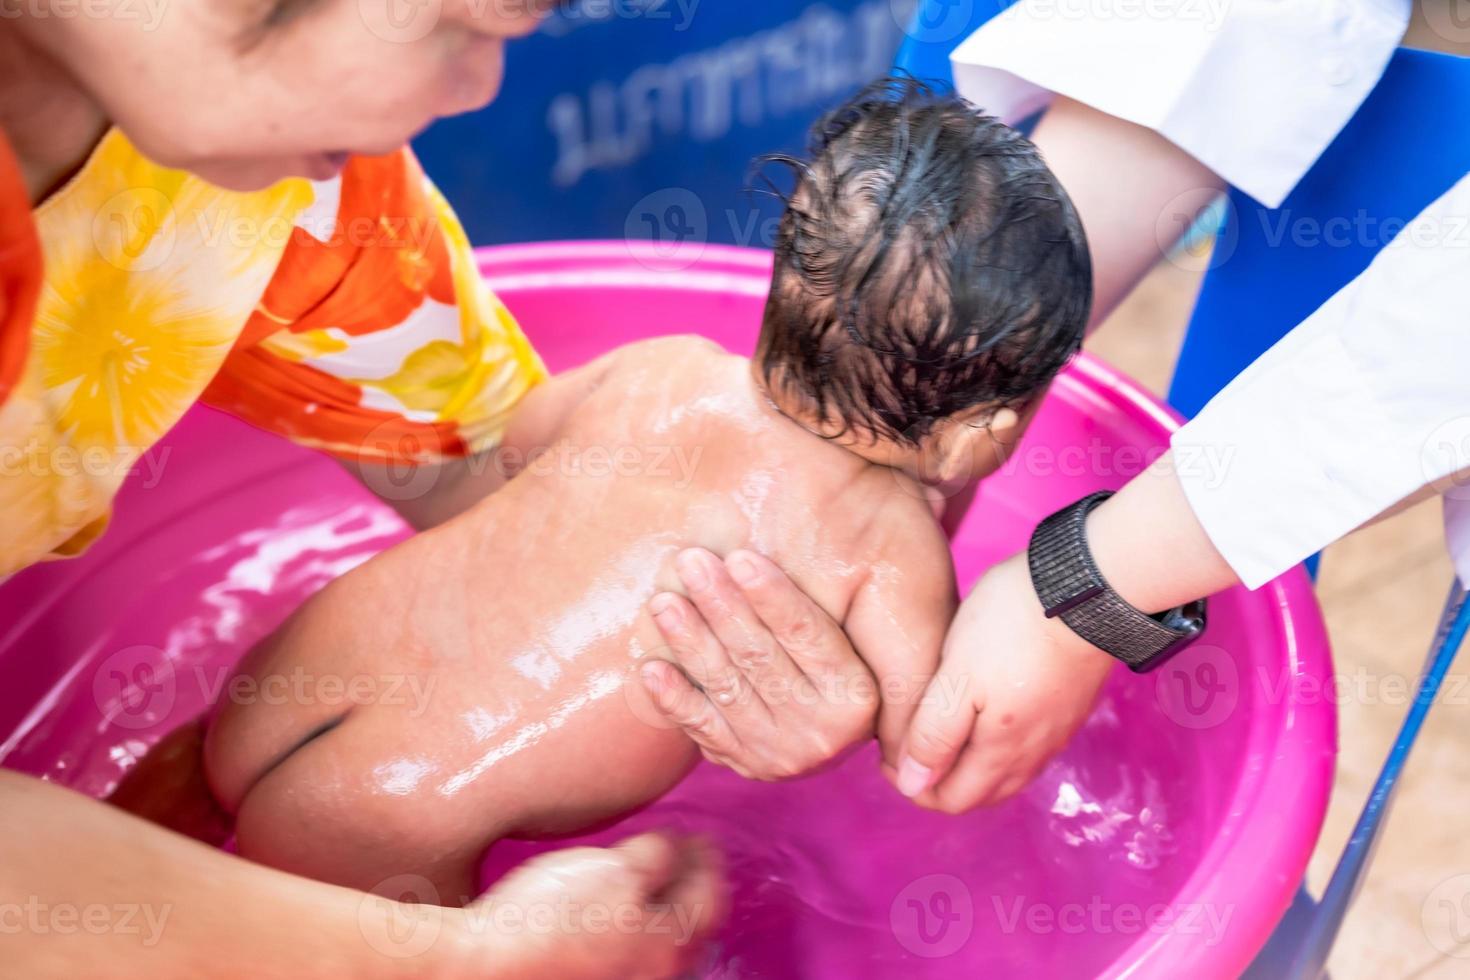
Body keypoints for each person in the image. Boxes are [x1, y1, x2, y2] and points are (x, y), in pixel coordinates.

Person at [111, 79, 1093, 902]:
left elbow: (515, 445)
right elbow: (923, 740)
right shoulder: (887, 546)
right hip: (398, 817)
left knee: (141, 895)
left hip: (281, 681)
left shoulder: (658, 368)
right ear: (982, 433)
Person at [0, 3, 740, 974]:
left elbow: (507, 483)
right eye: (441, 17)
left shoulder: (298, 191)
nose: (478, 86)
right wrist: (442, 961)